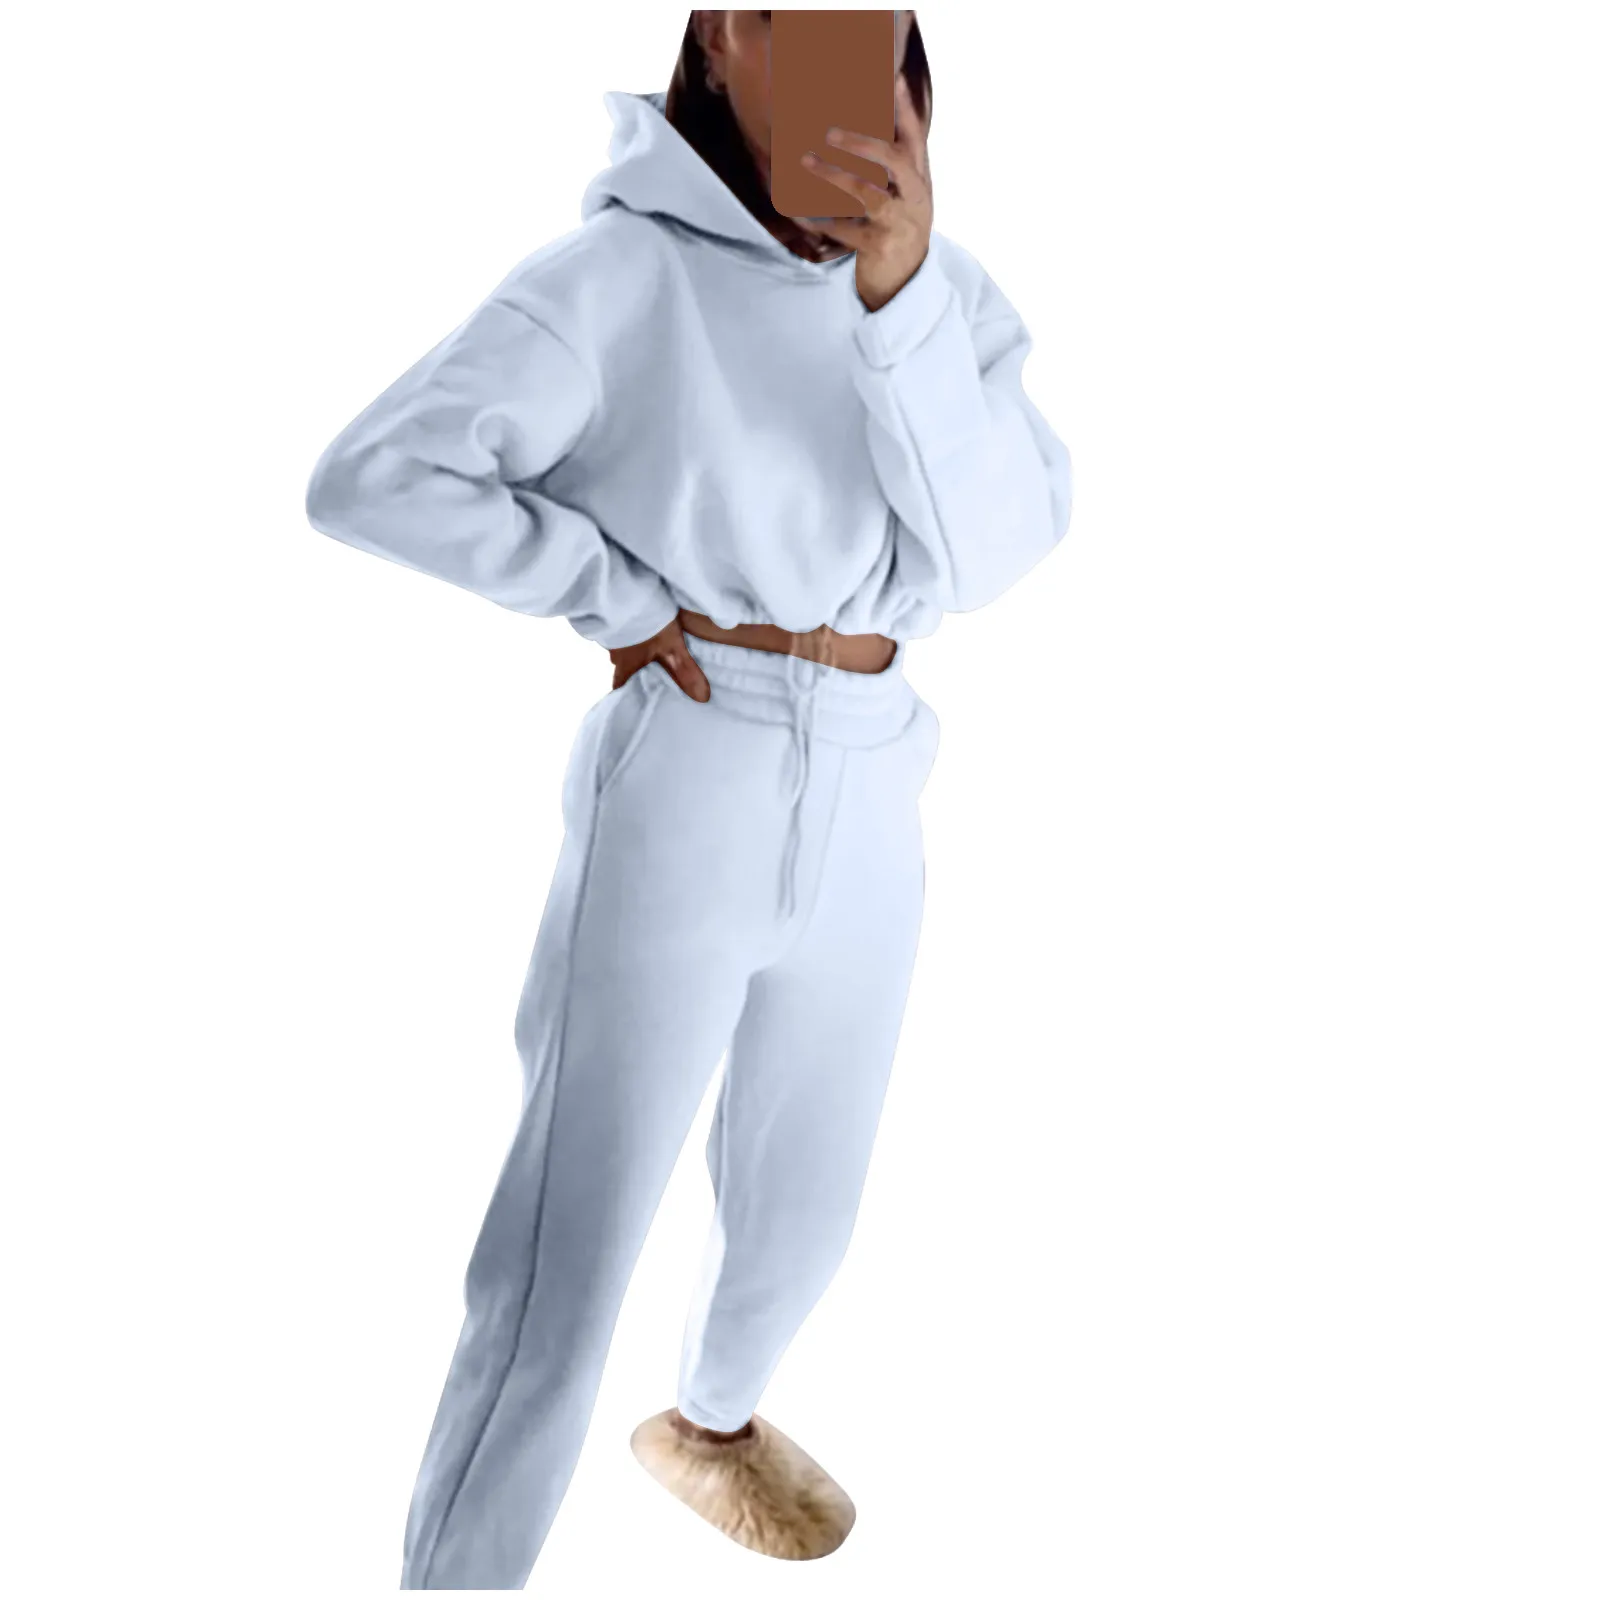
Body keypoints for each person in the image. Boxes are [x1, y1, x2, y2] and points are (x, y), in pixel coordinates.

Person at [304, 10, 1073, 1589]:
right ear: (719, 42)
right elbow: (374, 475)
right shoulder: (620, 277)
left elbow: (991, 557)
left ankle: (712, 1427)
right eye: (792, 16)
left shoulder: (949, 299)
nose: (845, 47)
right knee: (566, 1255)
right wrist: (610, 593)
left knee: (805, 1208)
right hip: (698, 756)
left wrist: (900, 302)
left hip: (877, 770)